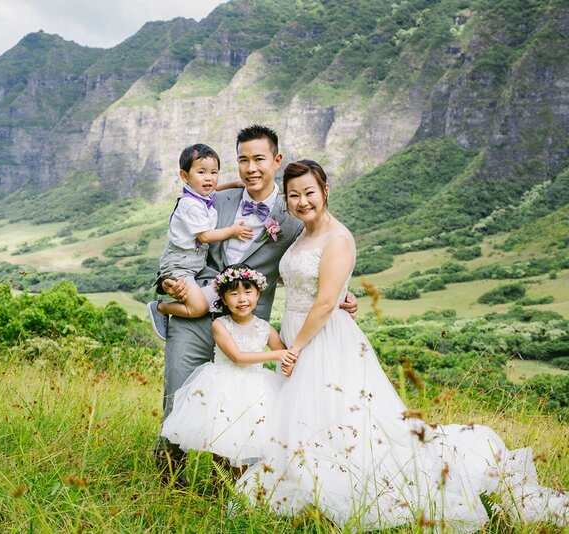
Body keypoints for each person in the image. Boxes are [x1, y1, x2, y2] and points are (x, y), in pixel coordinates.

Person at [236, 159, 569, 530]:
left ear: (325, 191)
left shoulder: (338, 238)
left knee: (344, 419)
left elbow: (326, 301)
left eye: (309, 193)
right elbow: (302, 280)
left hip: (323, 338)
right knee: (309, 416)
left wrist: (294, 347)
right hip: (302, 330)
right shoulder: (301, 235)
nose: (302, 202)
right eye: (294, 195)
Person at [154, 125, 358, 485]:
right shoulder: (215, 198)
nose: (250, 168)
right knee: (179, 396)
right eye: (243, 160)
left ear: (276, 161)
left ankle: (229, 488)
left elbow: (308, 258)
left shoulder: (292, 212)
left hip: (248, 327)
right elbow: (183, 242)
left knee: (238, 409)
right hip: (195, 311)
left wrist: (342, 293)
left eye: (259, 159)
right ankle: (169, 482)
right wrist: (167, 282)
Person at [160, 264, 293, 474]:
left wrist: (287, 362)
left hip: (256, 390)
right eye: (234, 293)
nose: (242, 299)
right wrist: (276, 355)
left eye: (248, 292)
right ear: (223, 298)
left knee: (249, 443)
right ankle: (219, 489)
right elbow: (237, 357)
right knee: (222, 442)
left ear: (258, 294)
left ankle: (242, 490)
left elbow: (285, 353)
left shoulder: (264, 327)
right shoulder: (220, 325)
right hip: (224, 389)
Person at [147, 144, 253, 341]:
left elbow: (214, 189)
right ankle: (160, 308)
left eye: (214, 172)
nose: (209, 178)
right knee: (199, 307)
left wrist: (235, 184)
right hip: (180, 264)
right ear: (185, 176)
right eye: (201, 172)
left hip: (193, 264)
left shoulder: (201, 196)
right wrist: (232, 231)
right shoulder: (190, 205)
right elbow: (204, 236)